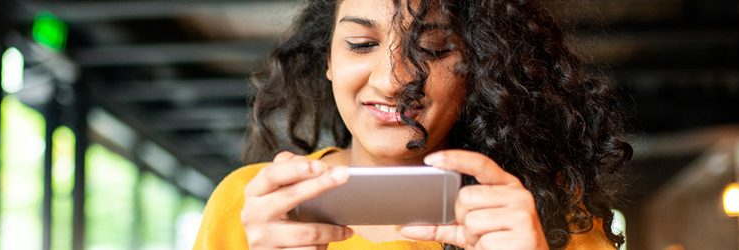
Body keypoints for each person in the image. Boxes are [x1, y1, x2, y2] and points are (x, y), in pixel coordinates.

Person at [194, 0, 631, 249]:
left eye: (434, 50)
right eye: (361, 44)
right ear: (328, 60)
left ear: (480, 64)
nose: (394, 80)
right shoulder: (250, 205)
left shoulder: (549, 213)